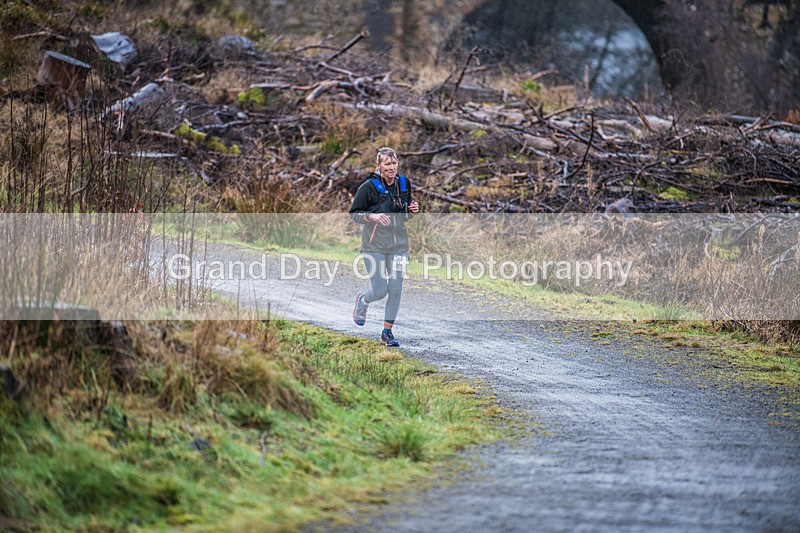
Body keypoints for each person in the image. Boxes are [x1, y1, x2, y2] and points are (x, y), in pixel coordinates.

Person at [349, 147, 420, 346]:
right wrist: (373, 216)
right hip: (374, 247)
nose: (392, 167)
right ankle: (363, 300)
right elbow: (354, 213)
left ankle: (387, 333)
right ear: (378, 166)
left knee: (396, 289)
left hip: (399, 246)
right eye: (387, 164)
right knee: (380, 290)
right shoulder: (368, 187)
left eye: (394, 163)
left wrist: (411, 210)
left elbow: (403, 214)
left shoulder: (404, 183)